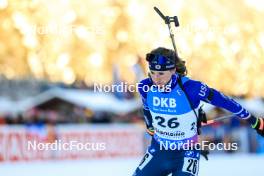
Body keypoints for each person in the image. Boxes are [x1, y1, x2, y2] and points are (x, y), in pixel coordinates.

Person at [133, 47, 264, 176]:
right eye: (152, 72)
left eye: (161, 73)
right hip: (159, 151)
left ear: (173, 70)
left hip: (186, 153)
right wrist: (150, 126)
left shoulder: (191, 88)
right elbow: (147, 109)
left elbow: (226, 102)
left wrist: (255, 121)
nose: (156, 79)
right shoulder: (145, 87)